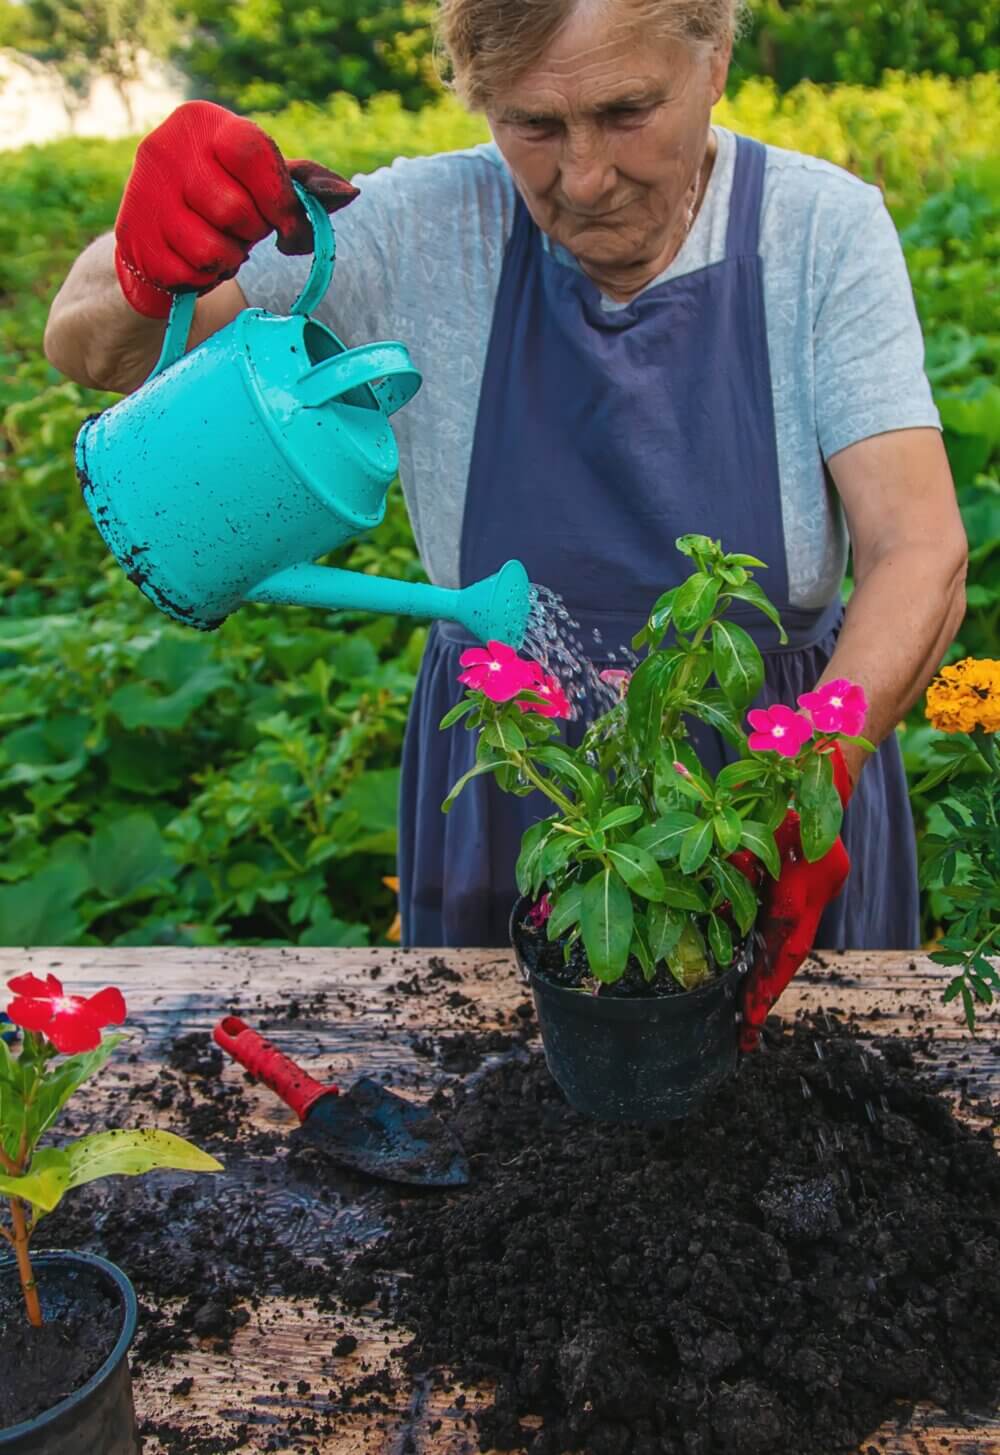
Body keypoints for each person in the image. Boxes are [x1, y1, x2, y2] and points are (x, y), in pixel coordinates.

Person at [45, 0, 966, 990]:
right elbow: (94, 349)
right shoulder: (421, 226)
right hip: (516, 770)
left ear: (714, 61)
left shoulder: (818, 231)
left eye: (626, 111)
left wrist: (813, 771)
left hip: (761, 775)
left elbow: (917, 547)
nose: (583, 176)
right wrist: (144, 261)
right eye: (533, 125)